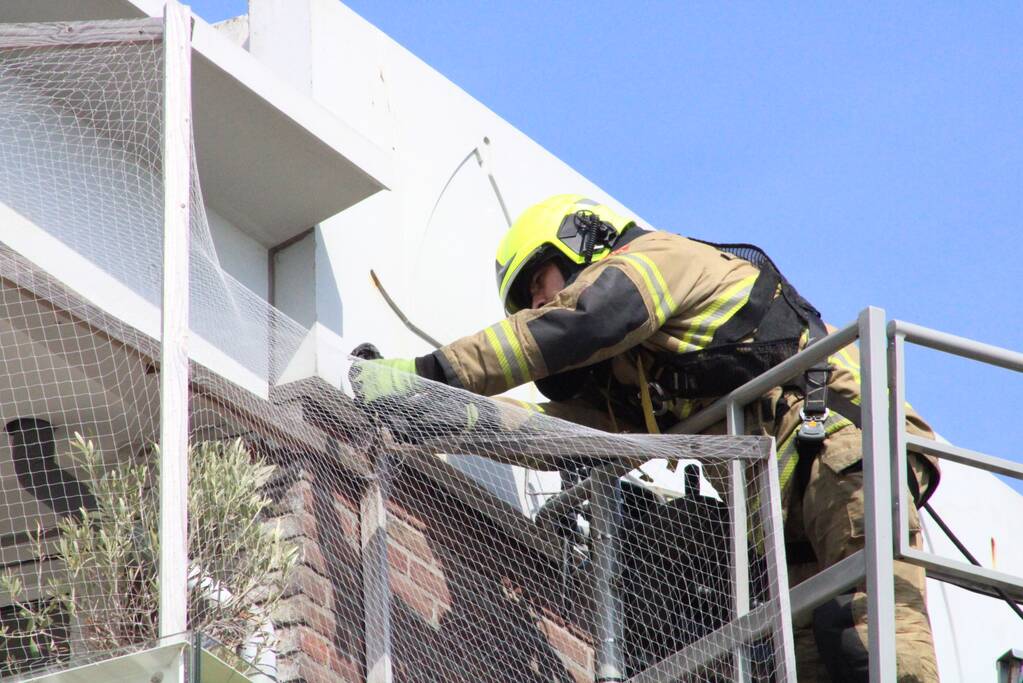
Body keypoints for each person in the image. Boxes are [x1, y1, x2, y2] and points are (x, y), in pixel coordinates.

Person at [353, 194, 940, 682]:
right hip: (778, 515)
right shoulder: (646, 381)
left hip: (841, 451)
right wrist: (436, 412)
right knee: (816, 664)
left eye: (539, 281)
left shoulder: (657, 261)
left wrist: (427, 373)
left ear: (583, 240)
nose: (537, 303)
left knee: (874, 646)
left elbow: (583, 323)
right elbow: (556, 434)